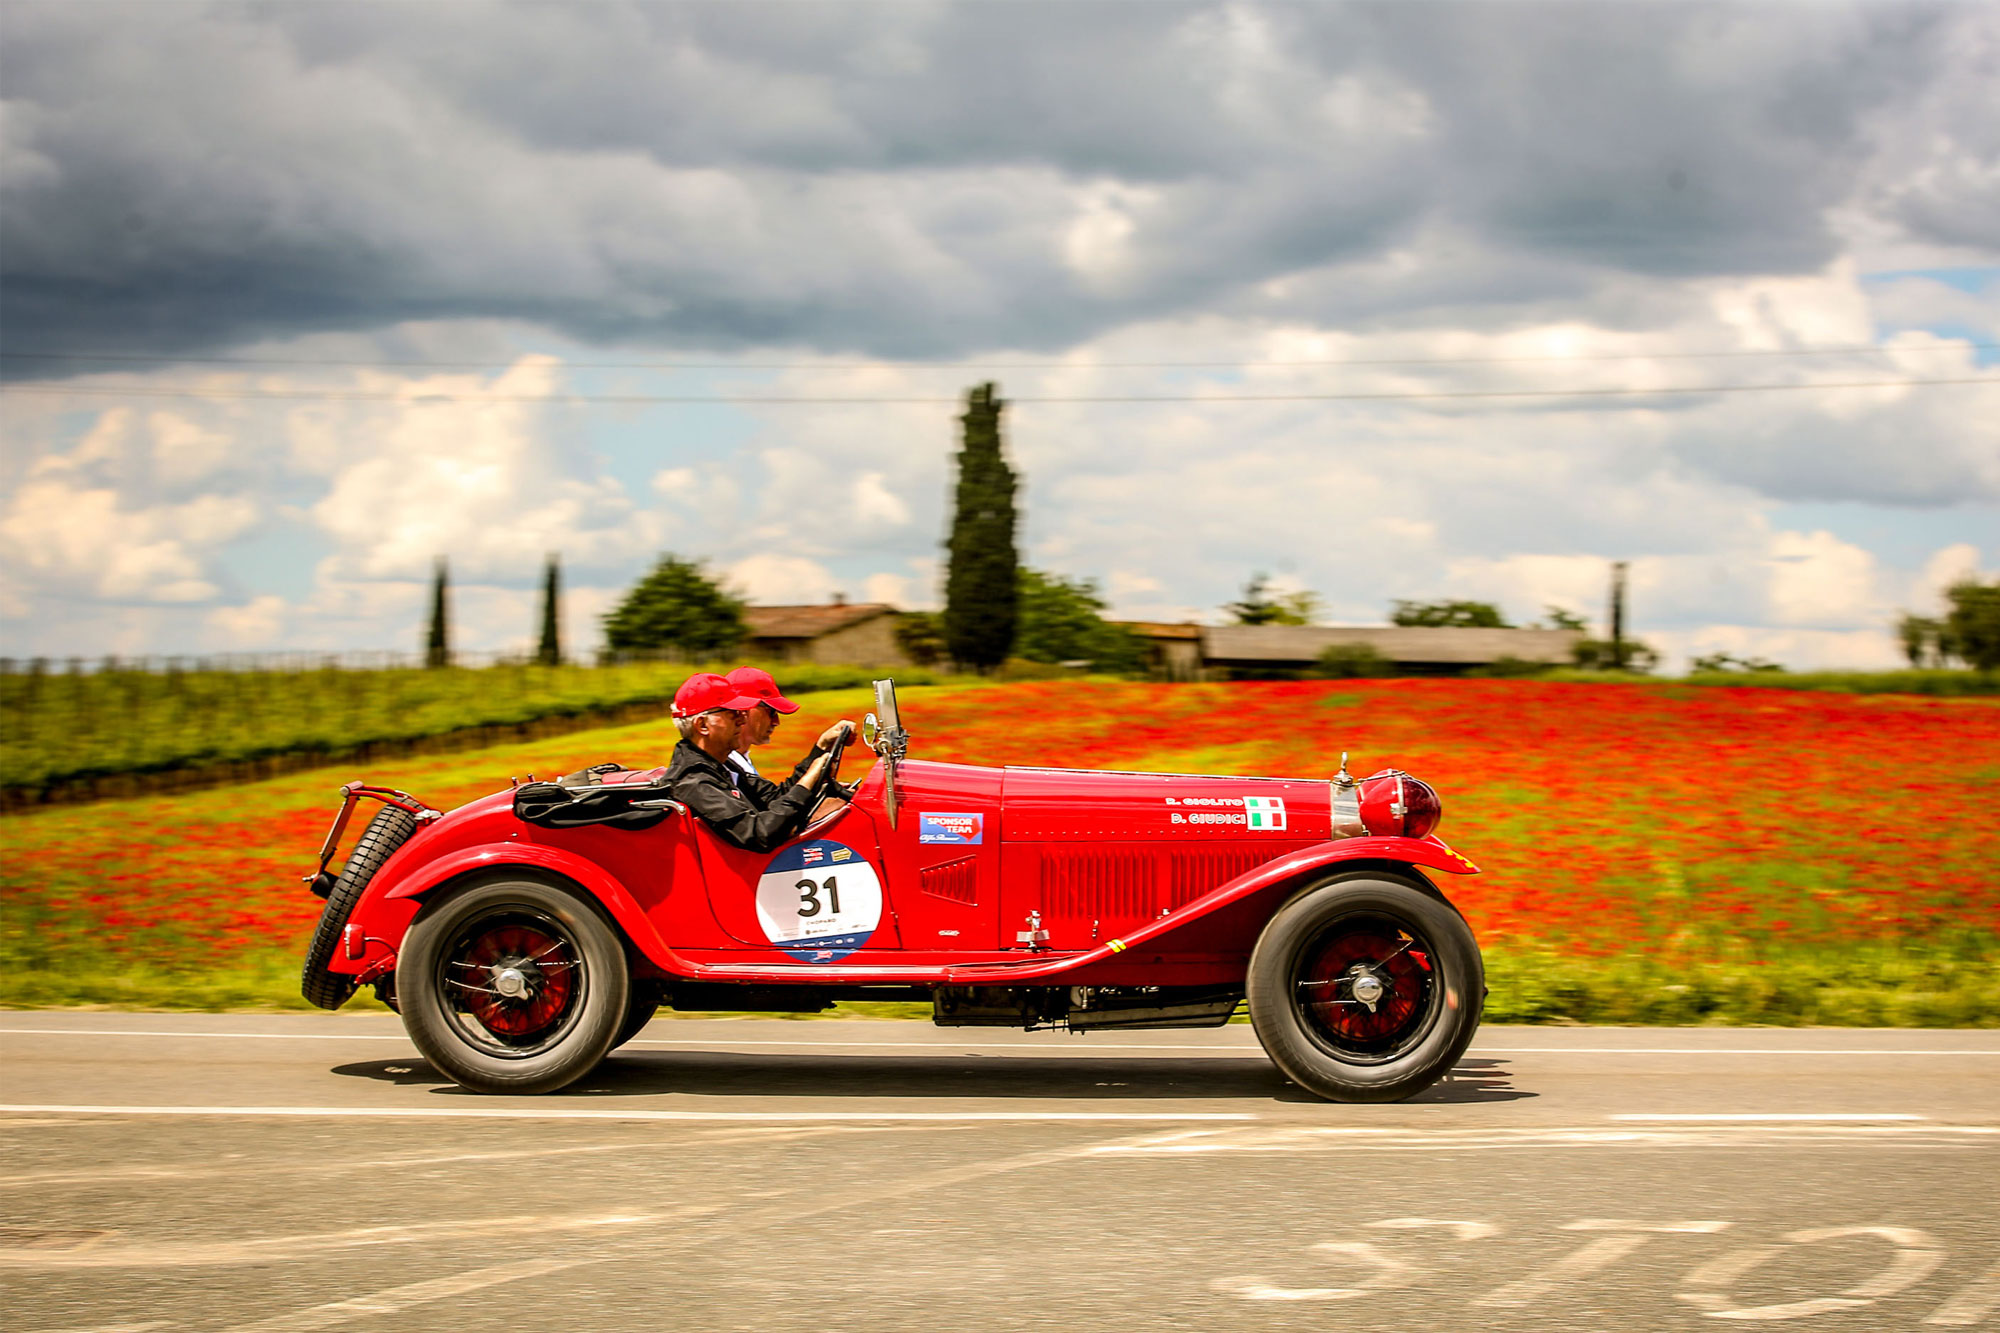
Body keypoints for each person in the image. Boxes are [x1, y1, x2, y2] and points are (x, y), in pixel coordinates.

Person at [664, 672, 849, 854]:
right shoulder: (693, 780)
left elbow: (776, 797)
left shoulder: (720, 764)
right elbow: (759, 834)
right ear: (702, 725)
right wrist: (808, 781)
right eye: (732, 713)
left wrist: (820, 749)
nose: (742, 719)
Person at [724, 665, 855, 807]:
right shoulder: (726, 764)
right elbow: (773, 808)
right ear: (744, 709)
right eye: (772, 712)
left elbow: (776, 798)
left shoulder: (738, 758)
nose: (776, 722)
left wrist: (822, 745)